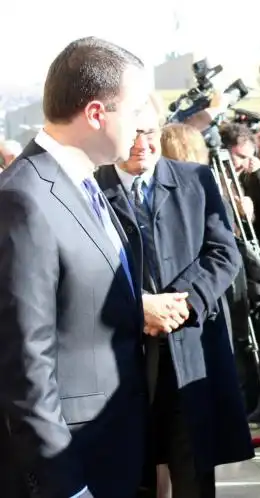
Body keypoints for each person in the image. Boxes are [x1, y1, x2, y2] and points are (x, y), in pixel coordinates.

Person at [0, 37, 151, 497]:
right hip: (71, 467)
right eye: (136, 109)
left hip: (113, 450)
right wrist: (63, 485)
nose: (143, 124)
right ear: (96, 114)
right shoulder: (24, 197)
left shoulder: (85, 186)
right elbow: (24, 363)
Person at [95, 94, 253, 497]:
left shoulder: (195, 180)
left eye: (149, 133)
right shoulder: (91, 188)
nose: (141, 146)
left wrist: (179, 305)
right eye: (131, 136)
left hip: (189, 350)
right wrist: (139, 309)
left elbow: (224, 252)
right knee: (130, 475)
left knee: (193, 475)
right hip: (121, 361)